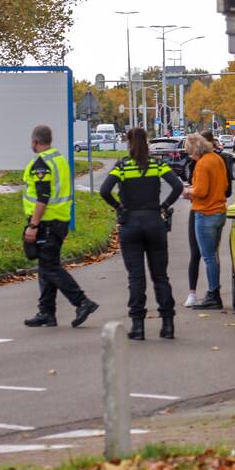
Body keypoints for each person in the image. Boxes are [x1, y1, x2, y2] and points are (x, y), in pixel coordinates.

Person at [100, 128, 184, 340]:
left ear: (129, 143)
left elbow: (104, 190)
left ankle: (138, 326)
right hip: (154, 222)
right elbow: (177, 186)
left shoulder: (122, 166)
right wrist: (164, 206)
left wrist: (118, 207)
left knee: (136, 277)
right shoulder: (157, 165)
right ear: (146, 143)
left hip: (130, 223)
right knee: (160, 276)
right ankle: (168, 324)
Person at [22, 125, 100, 328]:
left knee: (49, 267)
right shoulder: (60, 160)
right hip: (61, 220)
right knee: (46, 267)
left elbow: (43, 197)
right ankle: (46, 312)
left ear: (35, 141)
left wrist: (33, 225)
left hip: (47, 222)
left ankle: (82, 302)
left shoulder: (41, 164)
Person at [182, 130, 234, 308]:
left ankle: (213, 294)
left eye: (190, 152)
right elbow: (225, 185)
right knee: (213, 255)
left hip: (205, 213)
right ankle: (214, 293)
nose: (190, 156)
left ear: (196, 149)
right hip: (219, 211)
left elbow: (201, 191)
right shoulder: (217, 159)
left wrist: (188, 191)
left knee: (208, 257)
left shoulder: (202, 164)